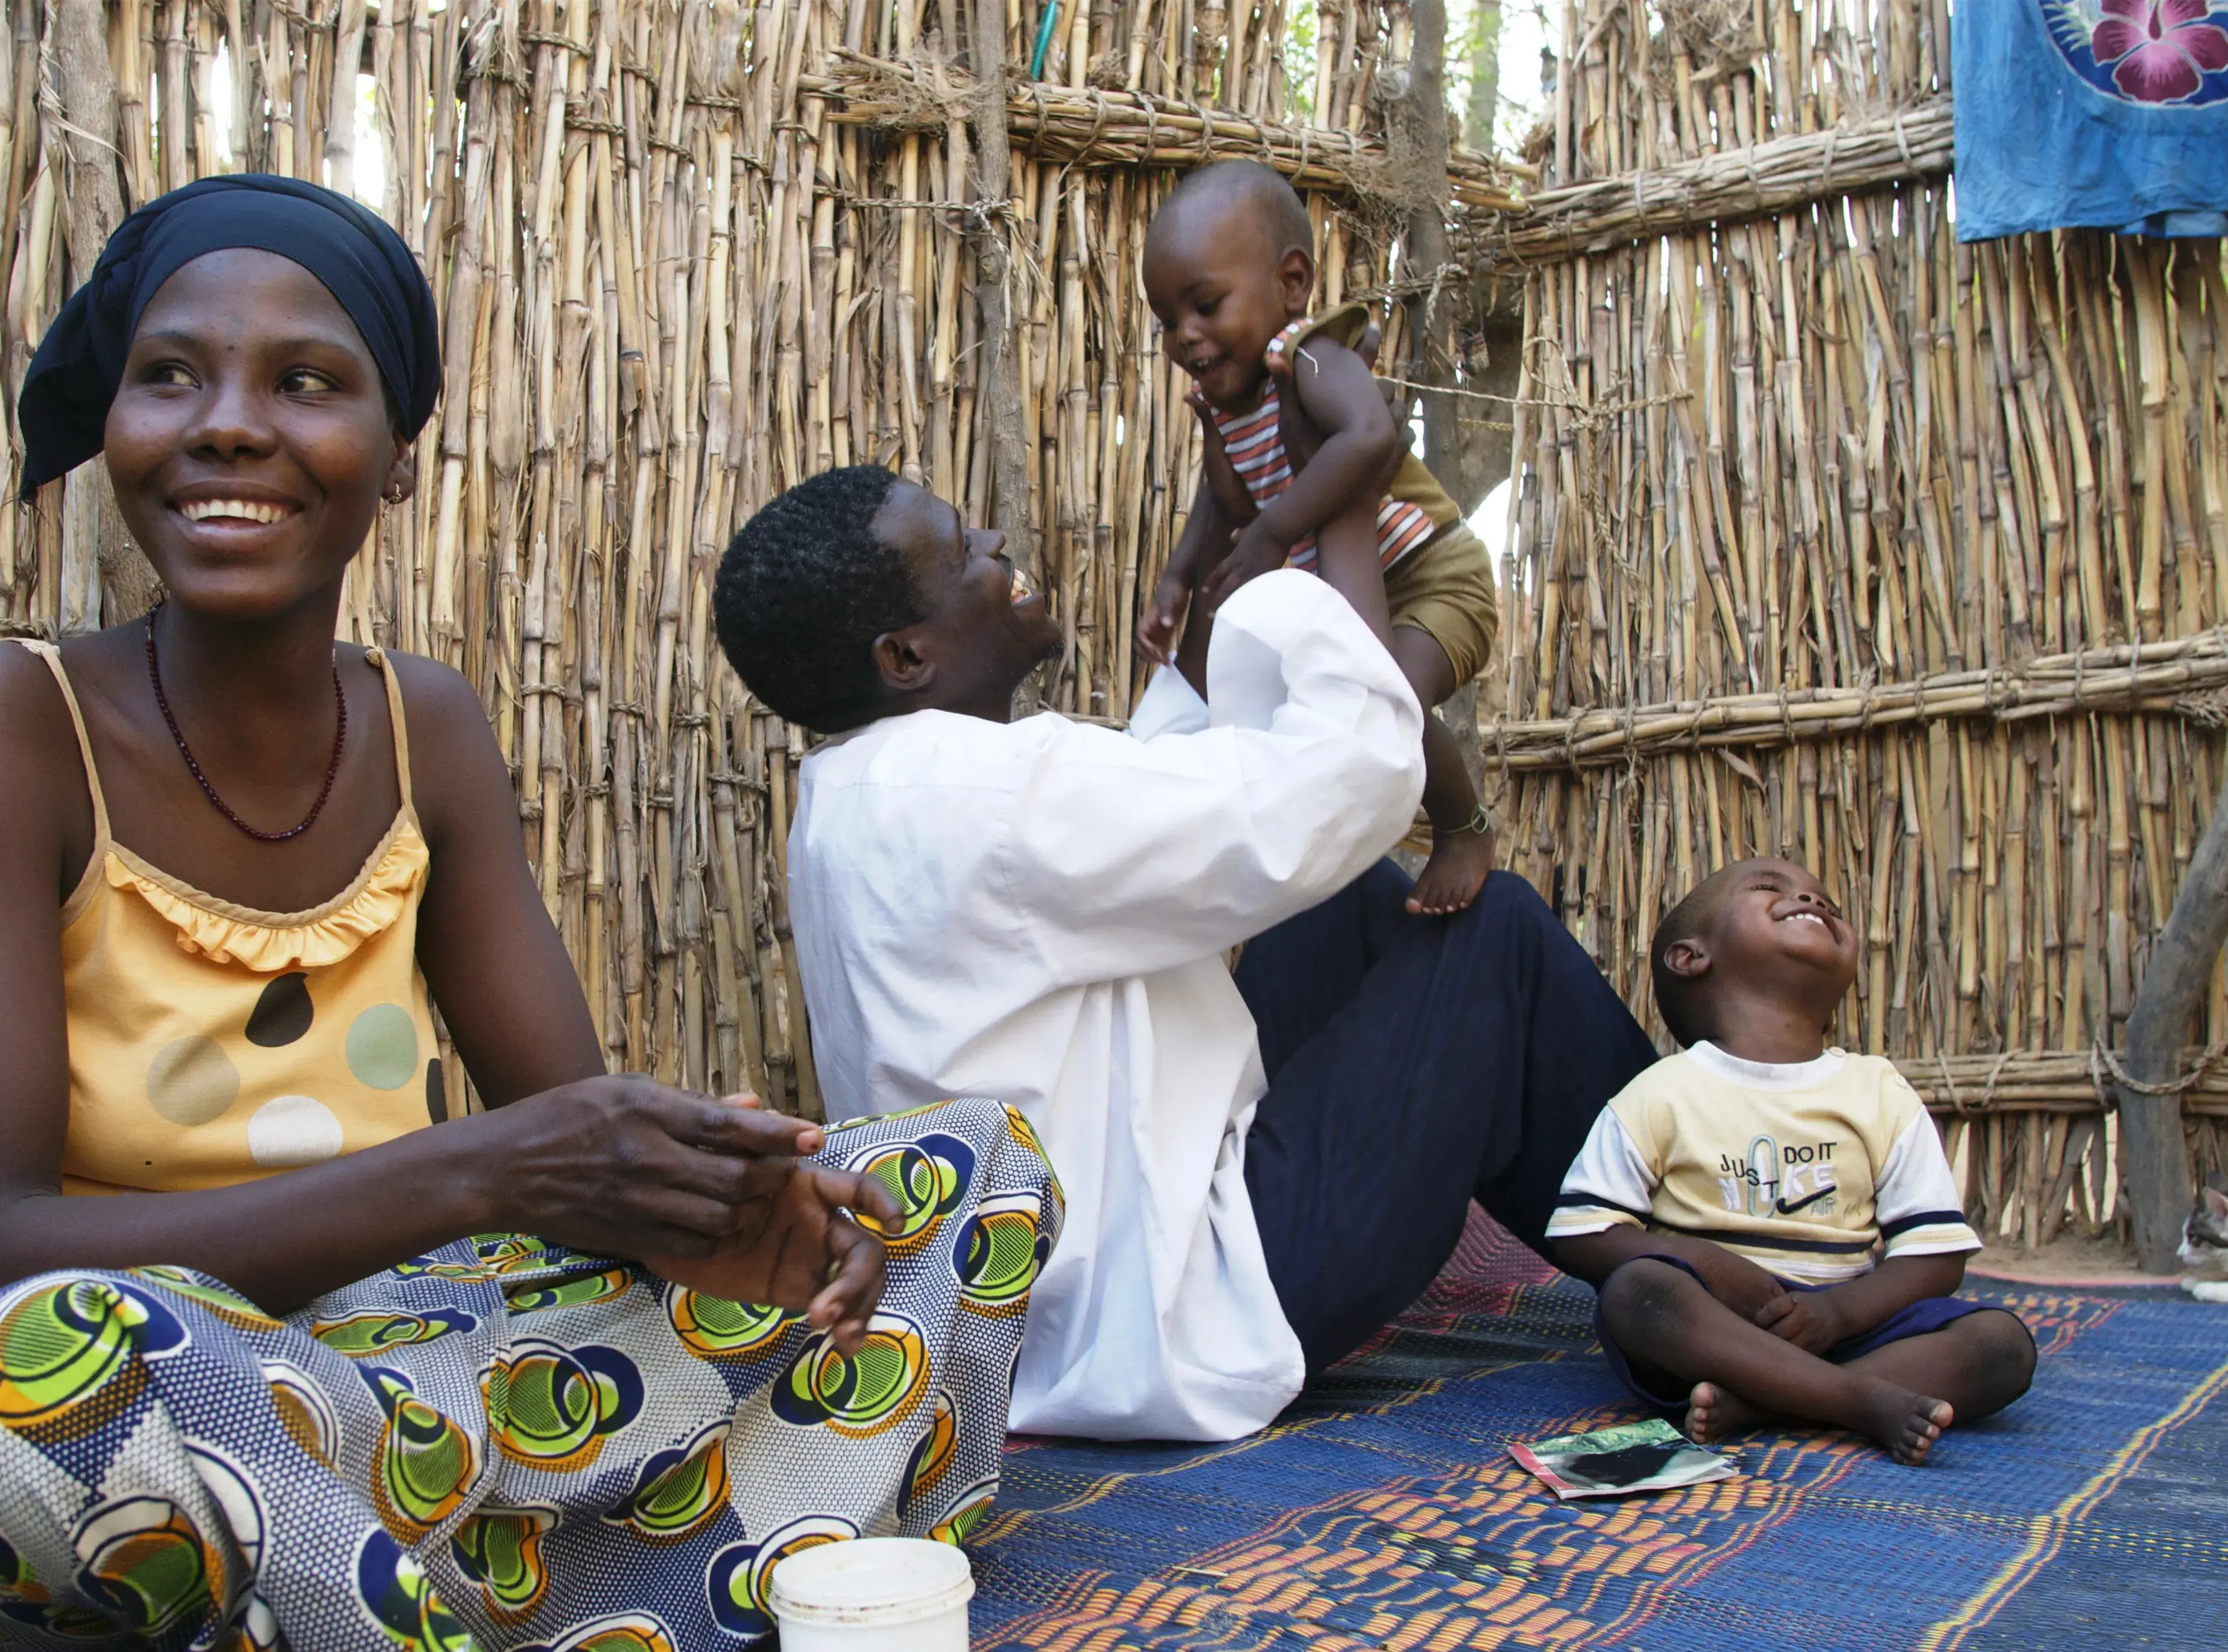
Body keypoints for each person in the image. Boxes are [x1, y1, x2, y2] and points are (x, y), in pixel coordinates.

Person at [0, 175, 1057, 1652]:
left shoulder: (422, 727)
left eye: (304, 380)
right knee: (103, 1357)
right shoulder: (3, 723)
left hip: (393, 1390)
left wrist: (737, 1204)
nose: (225, 423)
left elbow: (573, 1151)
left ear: (395, 456)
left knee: (967, 1177)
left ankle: (367, 1617)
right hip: (71, 1436)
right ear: (115, 427)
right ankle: (543, 1610)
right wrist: (485, 1172)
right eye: (170, 375)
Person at [712, 465, 1653, 1443]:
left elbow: (1165, 796)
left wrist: (1220, 534)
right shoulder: (984, 793)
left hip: (1034, 1324)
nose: (995, 542)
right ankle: (1696, 1225)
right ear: (905, 654)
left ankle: (1656, 1226)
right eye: (960, 550)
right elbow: (1353, 772)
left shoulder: (865, 791)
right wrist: (1328, 537)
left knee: (1339, 902)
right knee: (1485, 929)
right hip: (1176, 1320)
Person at [1546, 857, 2036, 1464]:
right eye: (1770, 888)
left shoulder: (1879, 1090)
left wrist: (1837, 1311)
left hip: (1850, 1329)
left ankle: (1766, 1405)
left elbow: (1935, 1257)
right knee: (1639, 1292)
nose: (1812, 897)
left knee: (2002, 1343)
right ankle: (1858, 1401)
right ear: (1690, 955)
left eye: (1824, 897)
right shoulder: (1662, 1092)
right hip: (1717, 1333)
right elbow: (1581, 1232)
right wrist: (1704, 1261)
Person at [1134, 160, 1502, 917]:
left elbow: (1370, 438)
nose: (1186, 337)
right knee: (1340, 707)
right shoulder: (1232, 395)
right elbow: (1220, 496)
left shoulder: (1310, 355)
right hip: (1353, 589)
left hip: (1435, 575)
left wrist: (1275, 530)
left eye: (1206, 305)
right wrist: (1177, 578)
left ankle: (1464, 829)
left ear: (1292, 282)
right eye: (1169, 320)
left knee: (1390, 696)